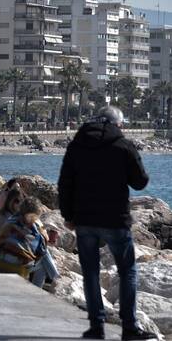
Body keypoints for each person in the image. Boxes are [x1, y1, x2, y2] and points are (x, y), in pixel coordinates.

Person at [58, 106, 156, 341]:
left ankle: (96, 326)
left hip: (84, 219)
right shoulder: (123, 146)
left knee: (90, 273)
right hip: (115, 219)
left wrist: (68, 216)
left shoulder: (77, 145)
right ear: (118, 124)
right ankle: (130, 327)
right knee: (127, 271)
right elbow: (140, 182)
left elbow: (65, 183)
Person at [0, 197, 59, 289]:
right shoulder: (36, 223)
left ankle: (55, 277)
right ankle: (52, 280)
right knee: (45, 258)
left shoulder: (12, 219)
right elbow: (42, 249)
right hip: (16, 267)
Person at [0, 187, 25, 261]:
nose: (20, 204)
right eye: (17, 201)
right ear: (10, 201)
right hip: (0, 258)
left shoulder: (6, 214)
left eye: (22, 201)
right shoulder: (6, 217)